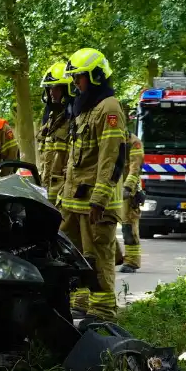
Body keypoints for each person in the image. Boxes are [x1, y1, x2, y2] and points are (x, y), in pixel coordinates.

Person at [59, 48, 128, 321]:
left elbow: (111, 158)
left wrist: (99, 199)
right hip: (75, 202)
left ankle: (102, 312)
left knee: (98, 257)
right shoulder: (87, 108)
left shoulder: (109, 108)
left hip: (96, 203)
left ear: (97, 76)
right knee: (75, 254)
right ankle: (82, 302)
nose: (75, 83)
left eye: (80, 77)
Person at [37, 62, 73, 205]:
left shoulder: (74, 120)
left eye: (56, 88)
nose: (52, 92)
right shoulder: (50, 120)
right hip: (47, 193)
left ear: (67, 89)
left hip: (64, 195)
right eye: (50, 88)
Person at [120, 130, 145, 273]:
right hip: (108, 185)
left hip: (127, 191)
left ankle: (132, 261)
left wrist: (127, 187)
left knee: (128, 226)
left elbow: (135, 168)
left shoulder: (134, 143)